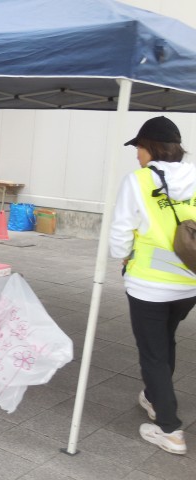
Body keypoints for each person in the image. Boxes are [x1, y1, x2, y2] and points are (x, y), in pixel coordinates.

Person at [110, 116, 196, 455]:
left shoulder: (138, 181)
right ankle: (153, 396)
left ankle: (170, 429)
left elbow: (120, 231)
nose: (136, 154)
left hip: (148, 284)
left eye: (139, 148)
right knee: (165, 340)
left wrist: (121, 256)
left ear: (151, 148)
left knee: (153, 353)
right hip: (188, 283)